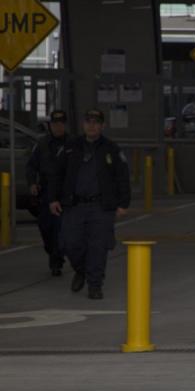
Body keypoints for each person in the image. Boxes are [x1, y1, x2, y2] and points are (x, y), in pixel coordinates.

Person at [49, 109, 131, 300]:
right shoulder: (70, 147)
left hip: (101, 207)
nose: (91, 125)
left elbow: (122, 177)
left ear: (102, 126)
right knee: (69, 243)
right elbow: (56, 174)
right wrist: (53, 198)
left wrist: (123, 203)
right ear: (83, 125)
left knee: (98, 247)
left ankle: (95, 285)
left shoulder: (111, 148)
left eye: (96, 122)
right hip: (74, 205)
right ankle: (81, 270)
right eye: (88, 121)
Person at [26, 110, 68, 276]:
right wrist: (32, 183)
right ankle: (52, 252)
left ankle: (56, 260)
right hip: (45, 193)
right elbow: (31, 166)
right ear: (50, 125)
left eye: (61, 123)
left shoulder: (73, 144)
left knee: (60, 229)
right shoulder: (42, 144)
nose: (58, 127)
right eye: (55, 124)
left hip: (64, 194)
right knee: (45, 228)